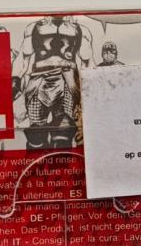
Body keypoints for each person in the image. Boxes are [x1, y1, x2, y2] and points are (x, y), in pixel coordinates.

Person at [16, 16, 94, 149]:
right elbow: (23, 60)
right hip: (39, 79)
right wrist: (15, 80)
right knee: (36, 134)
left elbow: (89, 62)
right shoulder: (33, 28)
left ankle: (62, 160)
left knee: (64, 130)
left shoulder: (81, 29)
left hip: (67, 79)